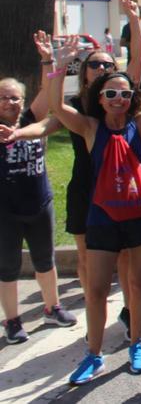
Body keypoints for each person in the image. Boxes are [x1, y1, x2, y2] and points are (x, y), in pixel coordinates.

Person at [48, 28, 141, 385]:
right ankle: (94, 353)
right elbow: (57, 106)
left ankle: (137, 343)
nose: (118, 98)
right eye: (111, 93)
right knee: (97, 289)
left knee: (138, 284)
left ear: (131, 97)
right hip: (103, 217)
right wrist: (57, 68)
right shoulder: (90, 127)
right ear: (100, 98)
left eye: (124, 93)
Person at [0, 78, 76, 344]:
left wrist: (50, 62)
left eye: (15, 97)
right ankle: (12, 320)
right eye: (4, 97)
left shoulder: (32, 119)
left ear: (23, 100)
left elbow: (48, 91)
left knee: (46, 260)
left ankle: (52, 308)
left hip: (39, 205)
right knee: (7, 268)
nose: (10, 102)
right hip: (6, 212)